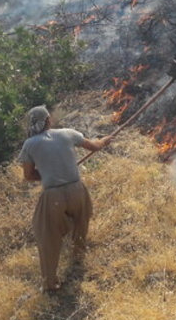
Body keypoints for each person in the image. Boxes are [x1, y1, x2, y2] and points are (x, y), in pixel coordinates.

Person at [18, 105, 112, 292]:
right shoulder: (68, 133)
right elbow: (94, 146)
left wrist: (46, 173)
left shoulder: (30, 145)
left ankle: (50, 284)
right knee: (80, 223)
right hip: (77, 189)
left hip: (53, 195)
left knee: (47, 235)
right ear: (48, 120)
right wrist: (104, 140)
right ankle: (78, 259)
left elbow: (28, 176)